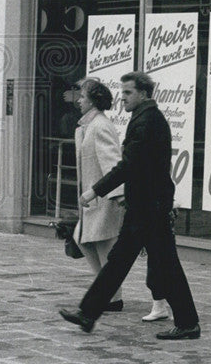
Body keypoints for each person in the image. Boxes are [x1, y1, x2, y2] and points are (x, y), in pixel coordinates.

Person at [59, 71, 200, 340]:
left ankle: (188, 323)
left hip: (150, 208)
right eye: (122, 92)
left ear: (144, 94)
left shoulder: (148, 121)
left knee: (162, 266)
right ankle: (88, 314)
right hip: (146, 206)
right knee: (120, 262)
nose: (122, 97)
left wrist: (95, 191)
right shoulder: (145, 117)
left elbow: (128, 165)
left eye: (128, 93)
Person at [72, 79, 126, 312]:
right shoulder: (88, 126)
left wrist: (117, 195)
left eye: (82, 97)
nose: (78, 101)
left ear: (93, 100)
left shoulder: (100, 126)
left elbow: (113, 164)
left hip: (103, 197)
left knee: (103, 246)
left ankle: (112, 298)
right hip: (93, 198)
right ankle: (107, 292)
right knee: (83, 239)